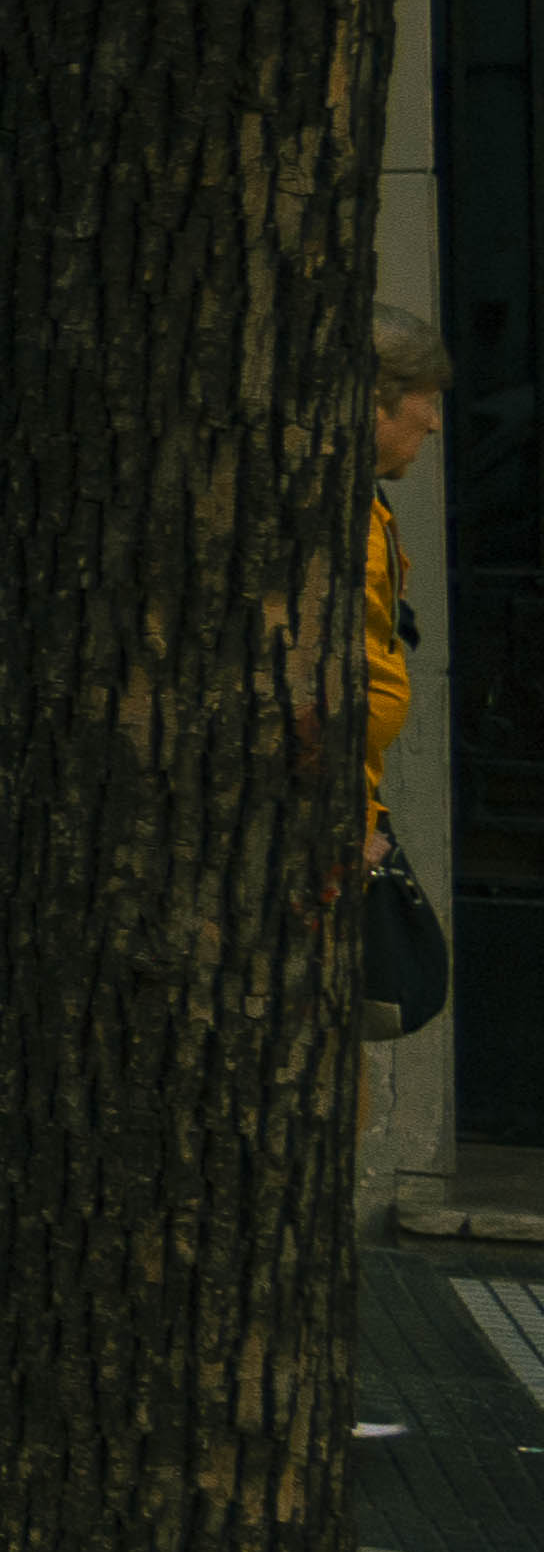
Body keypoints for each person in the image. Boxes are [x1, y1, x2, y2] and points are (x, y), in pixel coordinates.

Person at [367, 307, 453, 1039]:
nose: (434, 421)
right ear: (377, 399)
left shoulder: (371, 505)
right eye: (426, 397)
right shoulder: (344, 514)